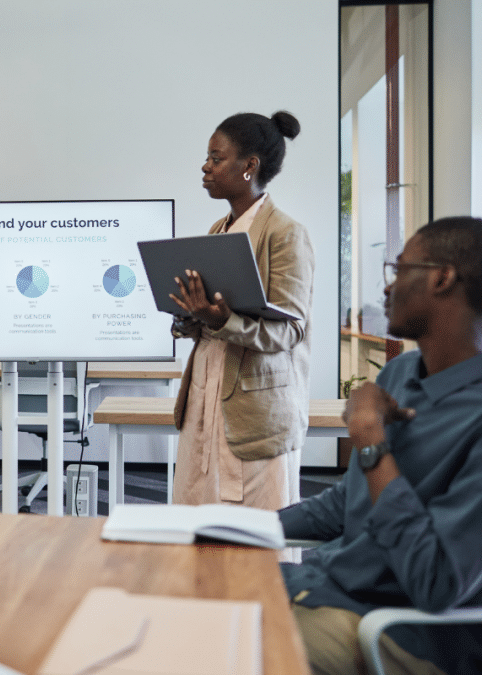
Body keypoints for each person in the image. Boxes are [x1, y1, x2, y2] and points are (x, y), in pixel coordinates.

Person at [280, 217, 482, 675]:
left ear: (442, 277)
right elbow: (345, 503)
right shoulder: (401, 375)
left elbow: (436, 583)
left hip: (403, 634)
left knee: (212, 647)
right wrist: (239, 526)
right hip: (323, 590)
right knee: (181, 596)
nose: (387, 289)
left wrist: (371, 442)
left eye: (398, 271)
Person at [169, 111, 314, 510]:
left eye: (216, 158)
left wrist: (223, 321)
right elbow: (214, 322)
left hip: (256, 410)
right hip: (206, 395)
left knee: (255, 537)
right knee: (198, 519)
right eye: (208, 157)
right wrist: (192, 316)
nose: (206, 166)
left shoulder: (285, 234)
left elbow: (289, 332)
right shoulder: (219, 229)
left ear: (250, 166)